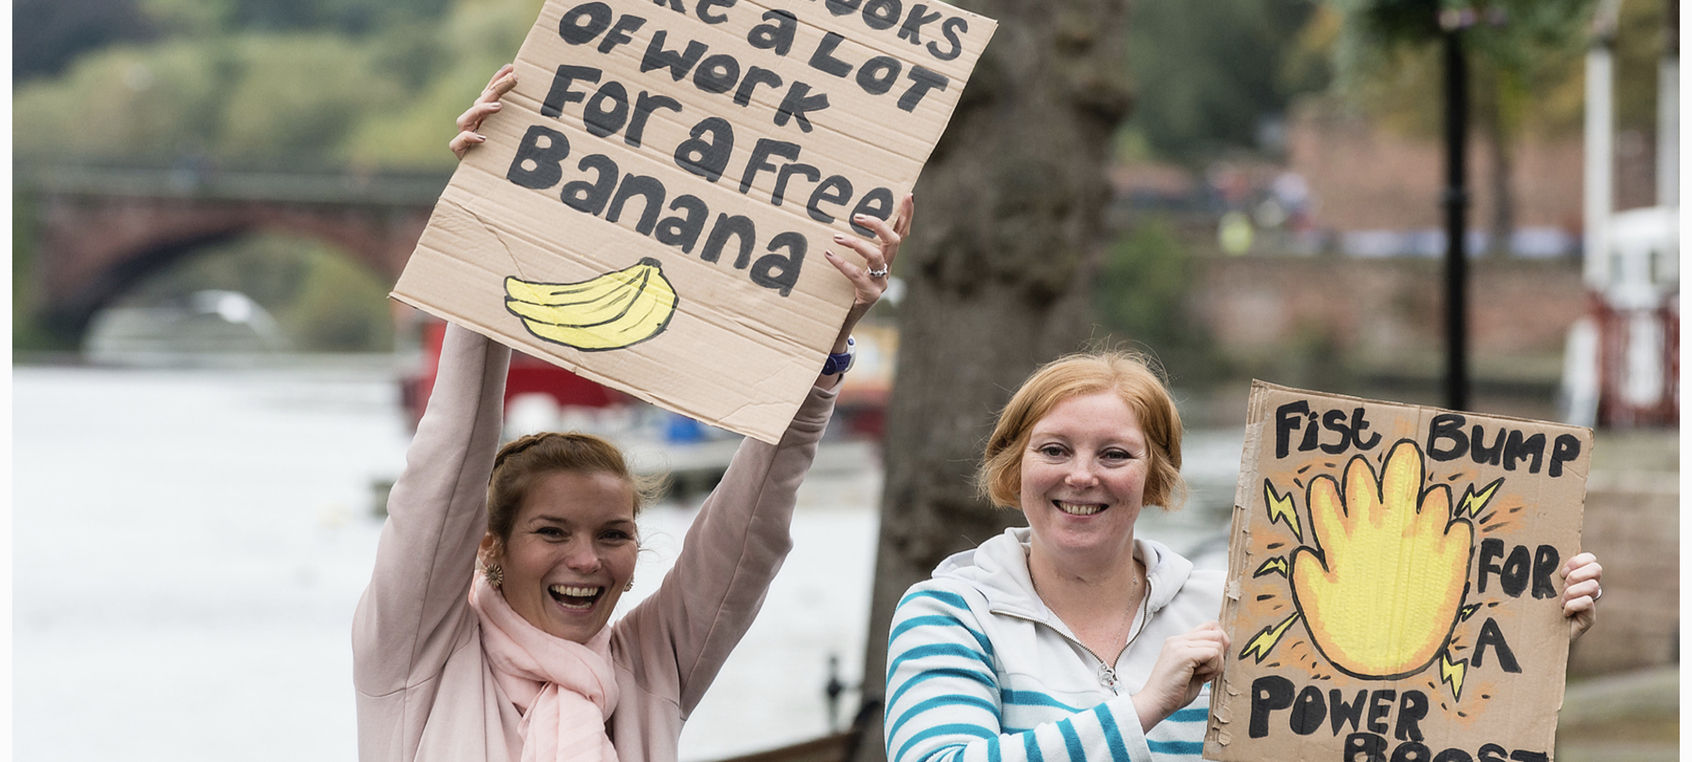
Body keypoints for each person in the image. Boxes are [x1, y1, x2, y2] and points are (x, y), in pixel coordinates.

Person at [353, 64, 914, 762]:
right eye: (552, 531)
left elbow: (747, 536)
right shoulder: (415, 654)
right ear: (489, 547)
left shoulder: (651, 670)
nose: (587, 560)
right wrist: (488, 220)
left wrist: (827, 338)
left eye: (613, 534)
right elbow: (448, 460)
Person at [883, 351, 1605, 762]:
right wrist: (1144, 709)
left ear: (1155, 476)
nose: (1081, 476)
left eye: (1115, 455)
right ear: (1013, 466)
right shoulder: (950, 612)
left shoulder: (1241, 606)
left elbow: (1380, 727)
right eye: (1053, 450)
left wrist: (1524, 634)